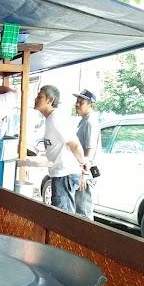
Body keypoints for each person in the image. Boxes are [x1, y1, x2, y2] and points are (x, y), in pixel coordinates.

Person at [34, 85, 88, 214]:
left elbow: (74, 144)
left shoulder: (56, 118)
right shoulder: (49, 119)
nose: (36, 99)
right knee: (60, 213)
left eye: (40, 97)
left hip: (65, 174)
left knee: (63, 216)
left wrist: (83, 163)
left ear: (50, 100)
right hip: (60, 174)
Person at [73, 89, 100, 220]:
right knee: (78, 211)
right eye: (77, 101)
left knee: (83, 213)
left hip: (85, 174)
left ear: (90, 104)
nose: (77, 104)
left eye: (81, 102)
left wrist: (84, 174)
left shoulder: (90, 122)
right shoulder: (84, 120)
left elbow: (90, 150)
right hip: (81, 171)